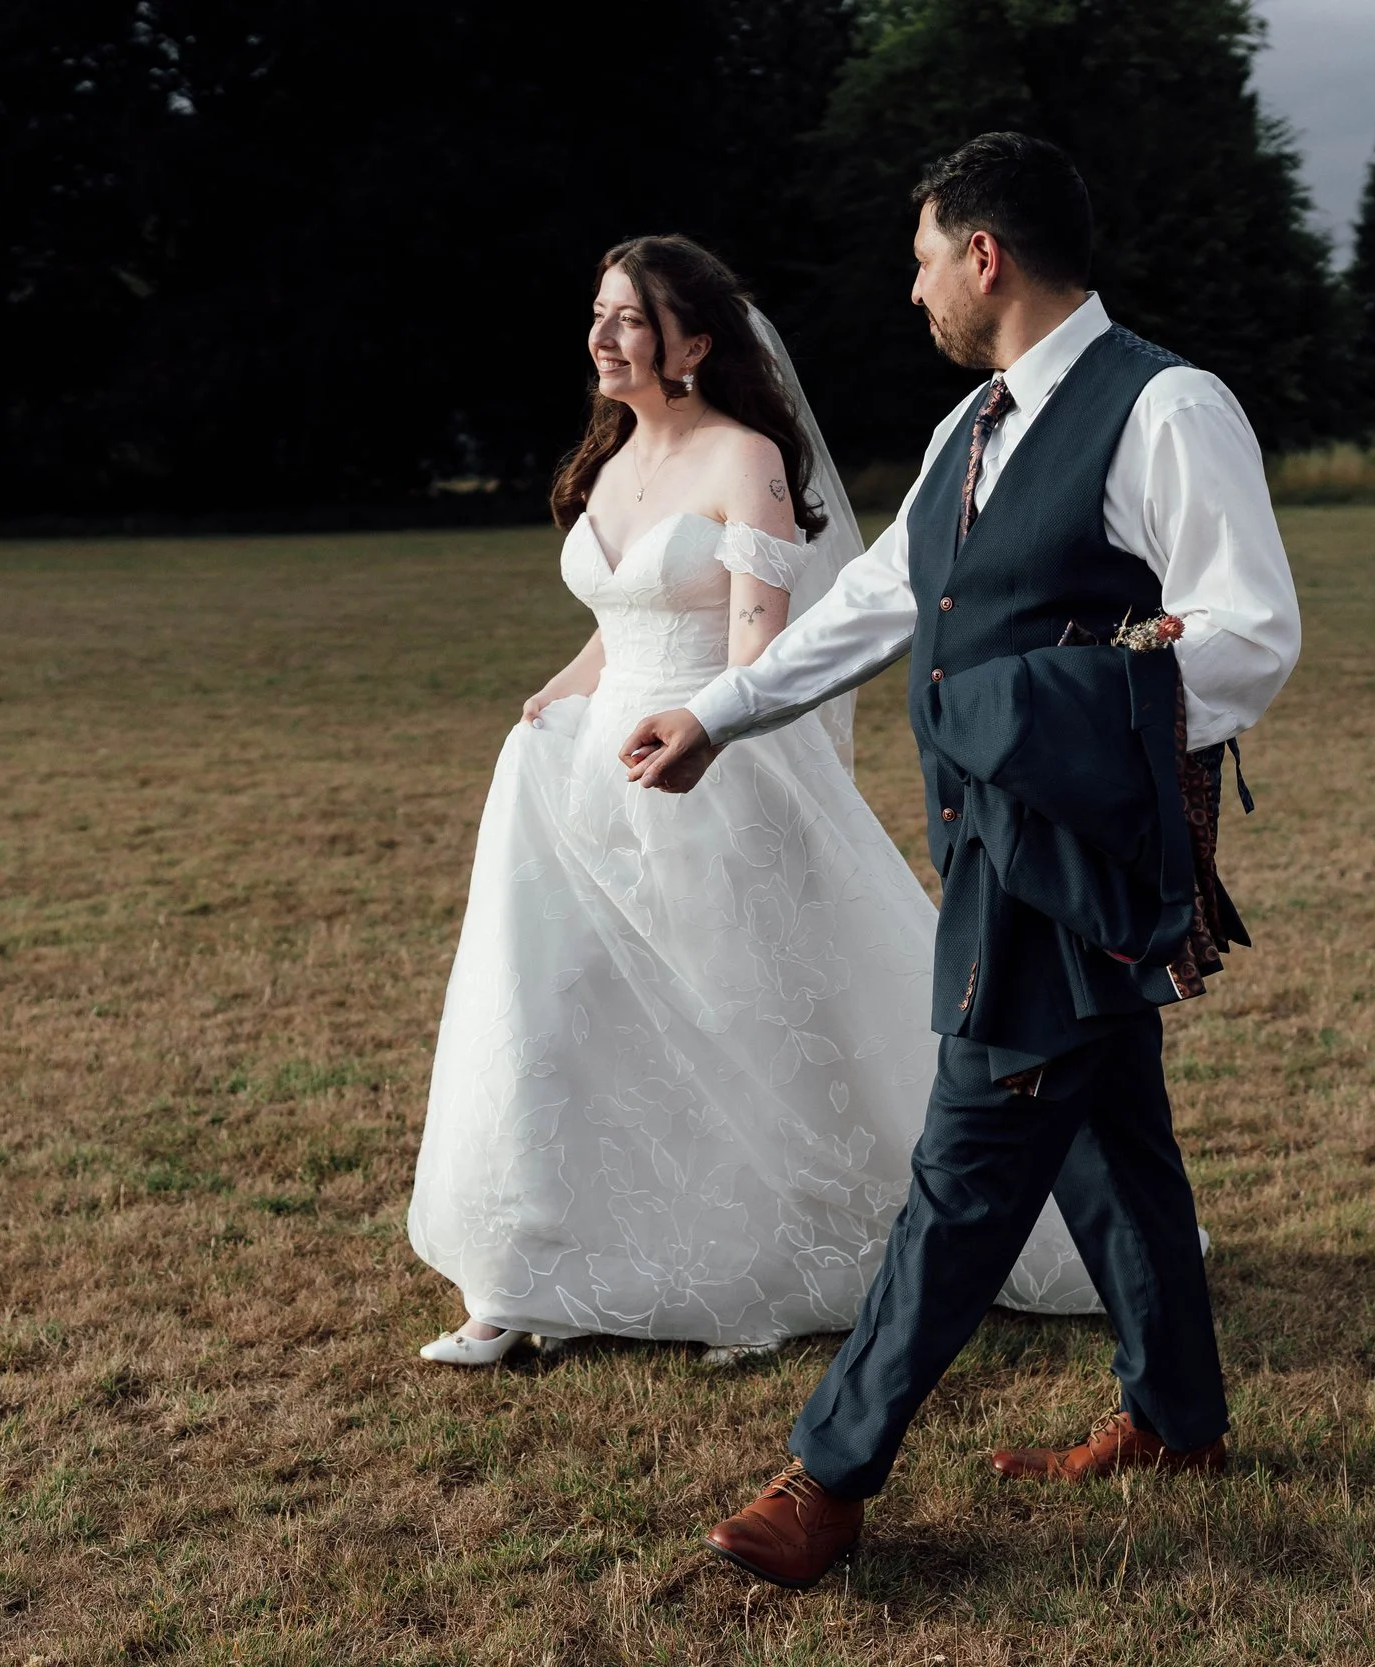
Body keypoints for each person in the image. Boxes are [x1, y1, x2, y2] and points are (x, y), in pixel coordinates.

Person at [619, 133, 1301, 1588]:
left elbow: (1248, 633)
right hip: (995, 843)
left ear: (984, 255)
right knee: (1116, 1137)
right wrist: (720, 711)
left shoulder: (1167, 407)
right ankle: (1178, 1420)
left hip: (1075, 852)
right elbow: (879, 599)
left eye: (925, 255)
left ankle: (829, 1472)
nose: (913, 285)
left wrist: (1059, 699)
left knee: (969, 1164)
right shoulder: (969, 427)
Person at [405, 234, 1106, 1370]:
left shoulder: (748, 462)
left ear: (692, 342)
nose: (601, 336)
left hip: (706, 764)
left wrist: (708, 733)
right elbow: (623, 619)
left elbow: (751, 641)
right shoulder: (612, 459)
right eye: (597, 314)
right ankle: (523, 1277)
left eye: (628, 318)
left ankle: (758, 1270)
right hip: (579, 779)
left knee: (731, 1015)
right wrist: (555, 692)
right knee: (559, 1017)